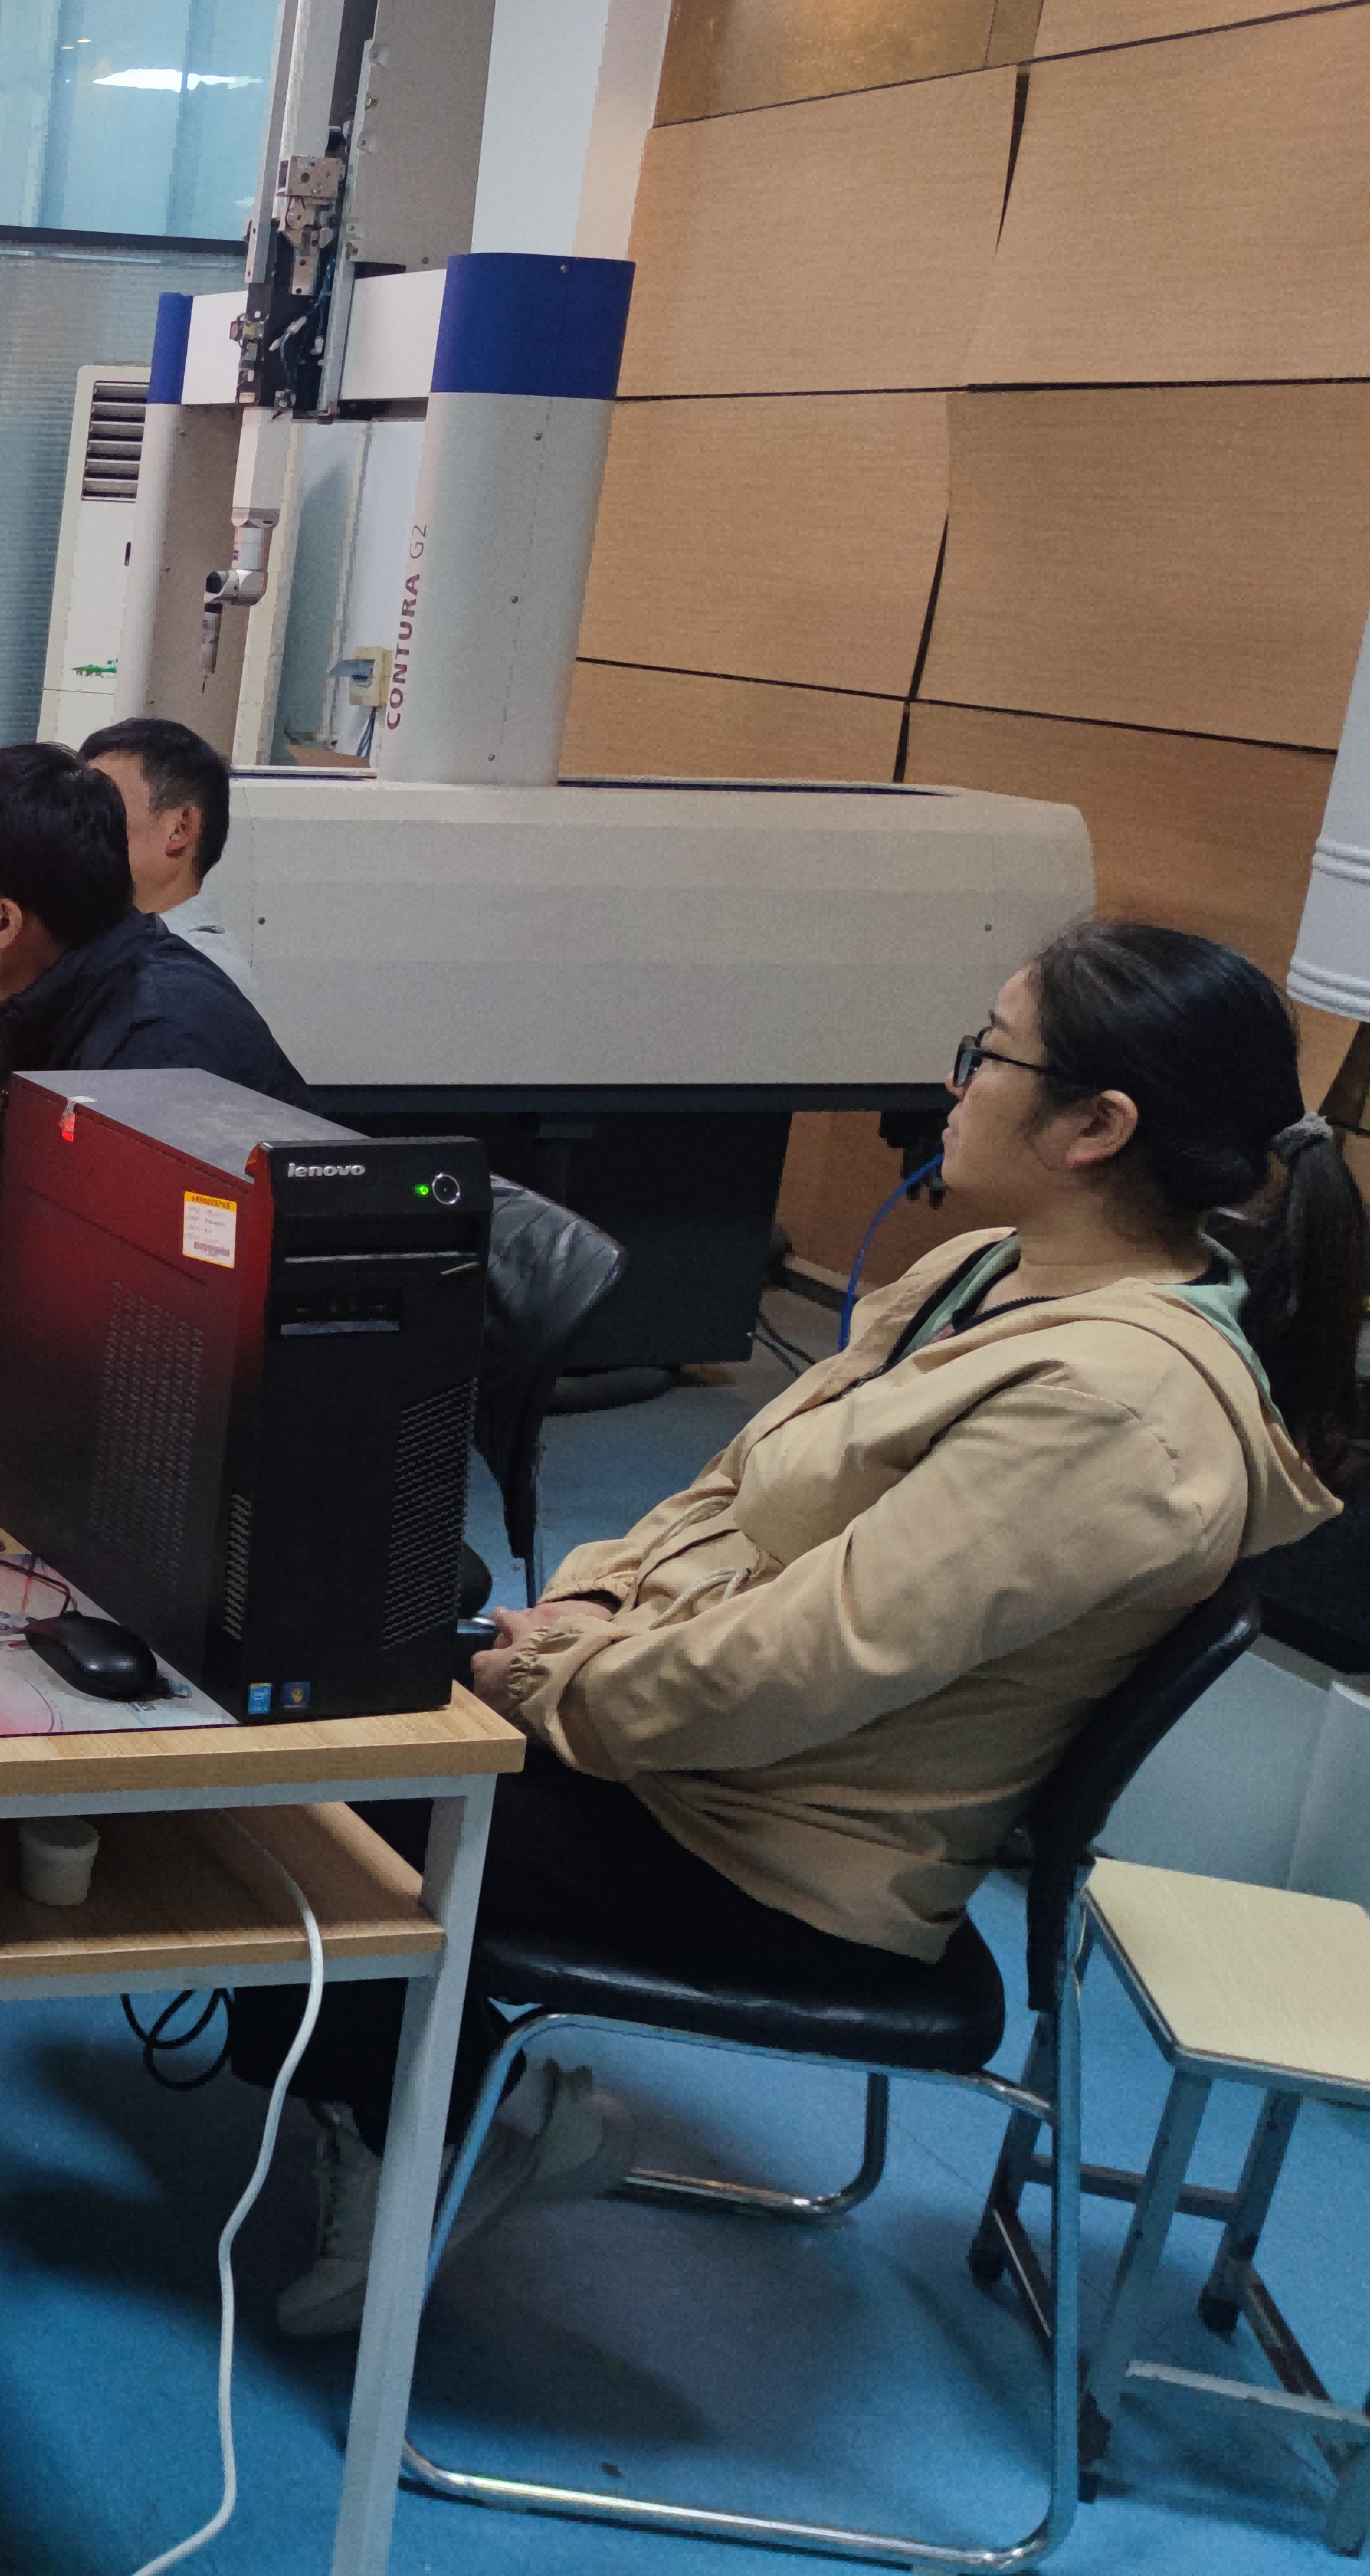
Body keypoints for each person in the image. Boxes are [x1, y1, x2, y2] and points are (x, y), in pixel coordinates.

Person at [246, 918, 1361, 2337]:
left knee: (319, 1781)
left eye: (986, 1056)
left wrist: (553, 1688)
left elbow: (803, 1668)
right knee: (328, 1693)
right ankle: (465, 2103)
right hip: (697, 1761)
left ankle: (434, 2134)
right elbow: (735, 1481)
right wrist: (590, 1605)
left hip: (777, 1860)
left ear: (1097, 1125)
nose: (953, 1083)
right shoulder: (993, 1271)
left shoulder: (1115, 1411)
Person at [0, 741, 303, 1327]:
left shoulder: (159, 1045)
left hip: (242, 1361)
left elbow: (88, 1286)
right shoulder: (12, 1002)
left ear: (4, 921)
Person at [80, 716, 258, 1003]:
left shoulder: (196, 975)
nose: (76, 826)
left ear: (180, 828)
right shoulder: (113, 951)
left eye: (103, 806)